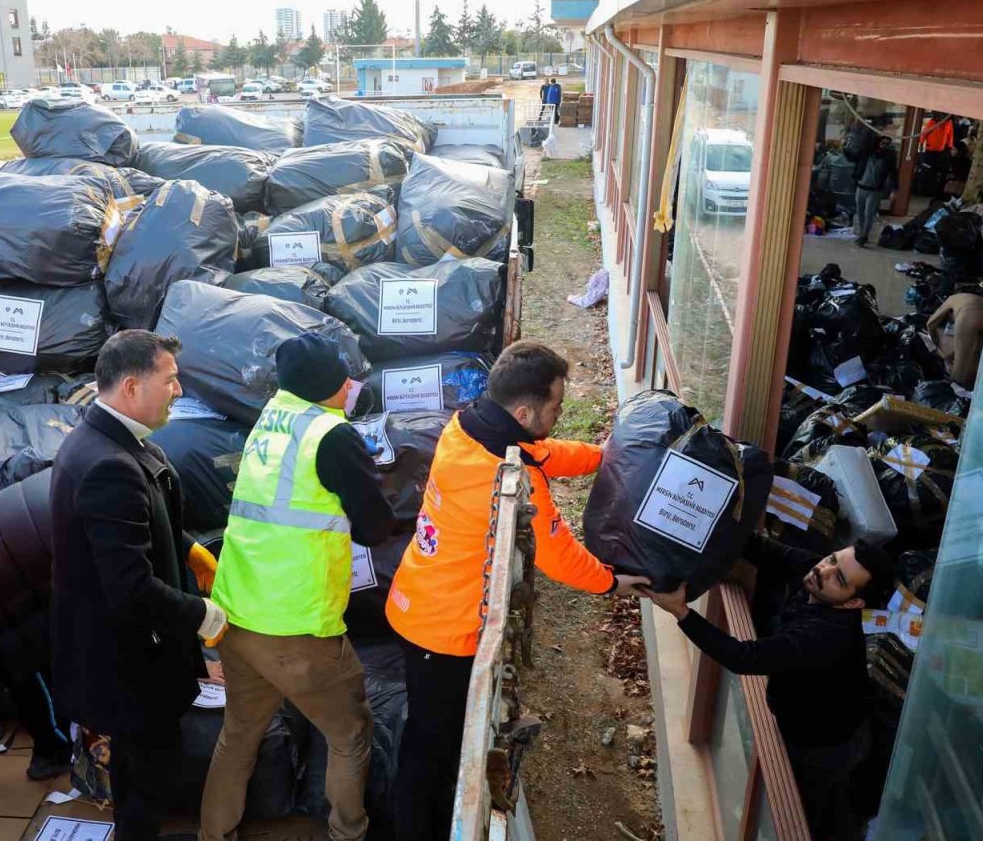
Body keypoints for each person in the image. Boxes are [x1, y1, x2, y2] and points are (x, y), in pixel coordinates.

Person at [385, 341, 650, 840]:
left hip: (417, 599)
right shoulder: (506, 473)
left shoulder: (468, 426)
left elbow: (543, 454)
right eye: (557, 406)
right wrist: (613, 581)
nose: (562, 412)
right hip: (442, 633)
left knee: (432, 734)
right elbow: (558, 554)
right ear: (525, 411)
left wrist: (604, 457)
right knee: (431, 749)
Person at [200, 332, 396, 841]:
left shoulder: (272, 416)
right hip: (297, 628)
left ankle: (212, 835)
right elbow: (375, 527)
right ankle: (347, 833)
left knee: (239, 736)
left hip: (238, 614)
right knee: (350, 733)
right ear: (333, 383)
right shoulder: (333, 436)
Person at [49, 330, 227, 841]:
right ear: (131, 386)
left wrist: (189, 548)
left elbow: (145, 526)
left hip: (125, 655)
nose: (178, 390)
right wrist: (205, 615)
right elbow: (130, 587)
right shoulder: (109, 465)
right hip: (127, 664)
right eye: (169, 381)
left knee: (142, 769)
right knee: (147, 775)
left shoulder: (109, 440)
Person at [643, 536, 894, 841]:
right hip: (819, 723)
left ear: (854, 602)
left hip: (823, 747)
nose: (824, 570)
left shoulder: (825, 638)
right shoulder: (818, 573)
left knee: (809, 819)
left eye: (839, 578)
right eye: (832, 559)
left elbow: (742, 657)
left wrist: (682, 612)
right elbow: (765, 550)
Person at [927, 292, 983, 390]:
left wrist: (939, 349)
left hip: (969, 317)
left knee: (960, 374)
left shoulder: (962, 322)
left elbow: (930, 324)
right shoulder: (953, 299)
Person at [853, 135, 899, 247]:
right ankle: (862, 233)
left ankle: (864, 236)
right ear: (878, 142)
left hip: (874, 190)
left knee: (869, 213)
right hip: (861, 187)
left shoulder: (888, 158)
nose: (885, 146)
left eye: (887, 144)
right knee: (860, 212)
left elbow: (894, 173)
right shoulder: (867, 154)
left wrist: (895, 189)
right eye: (883, 143)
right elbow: (856, 154)